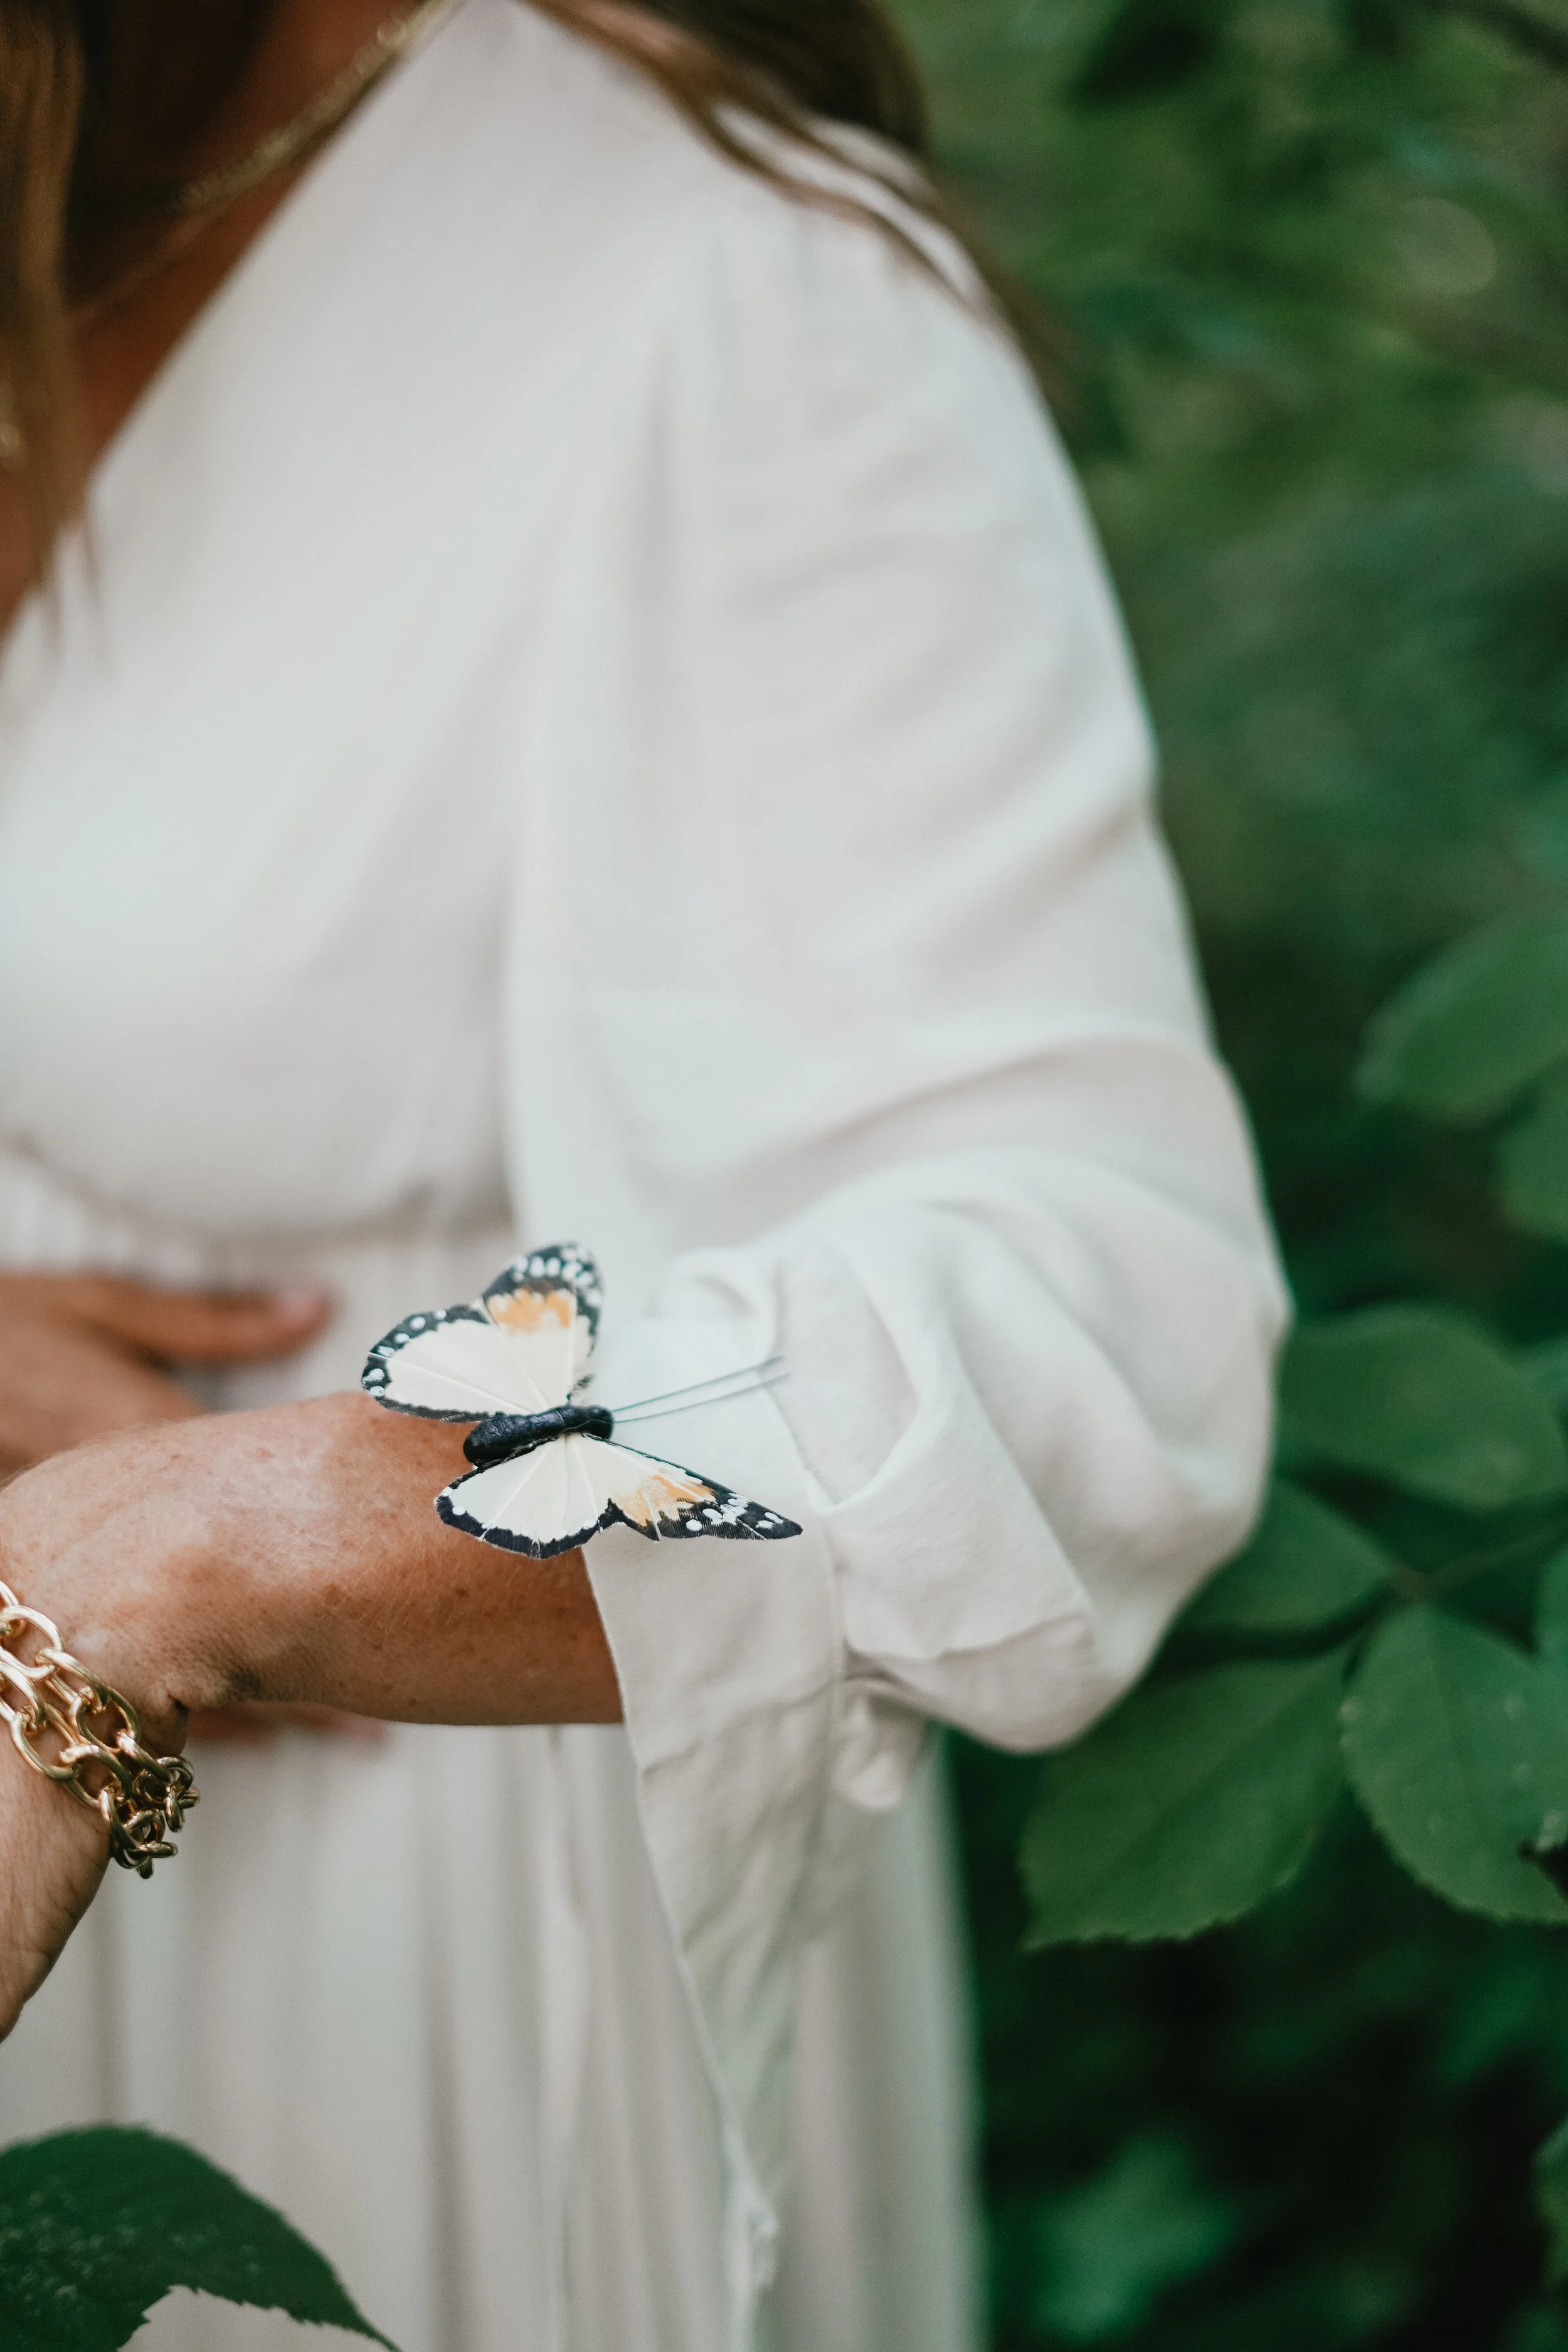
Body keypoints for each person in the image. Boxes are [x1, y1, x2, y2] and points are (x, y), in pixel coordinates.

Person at [0, 0, 1288, 2344]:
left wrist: (187, 1549)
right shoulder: (70, 183)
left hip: (418, 1962)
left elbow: (1099, 1308)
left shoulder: (734, 282)